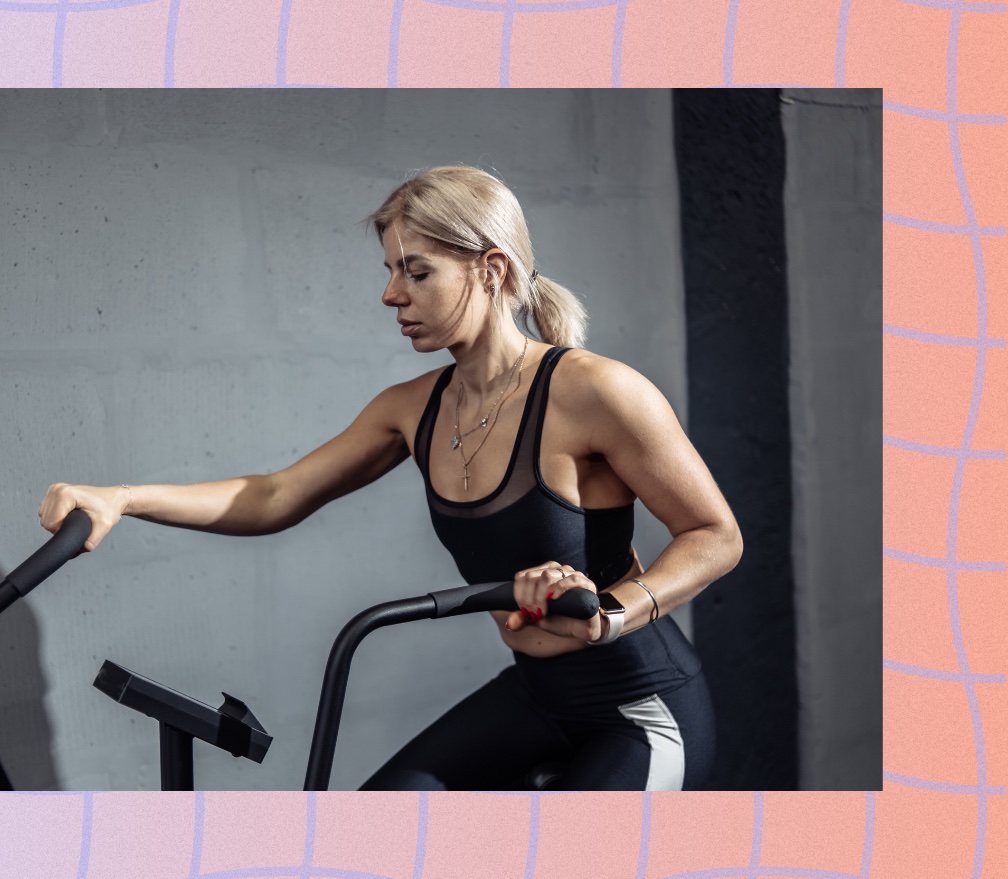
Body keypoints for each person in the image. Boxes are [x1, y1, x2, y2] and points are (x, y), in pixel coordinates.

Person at [37, 165, 743, 790]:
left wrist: (612, 611)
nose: (389, 294)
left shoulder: (595, 391)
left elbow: (716, 534)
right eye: (390, 269)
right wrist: (120, 498)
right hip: (535, 694)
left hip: (640, 708)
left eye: (416, 270)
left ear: (490, 269)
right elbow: (274, 494)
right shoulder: (412, 410)